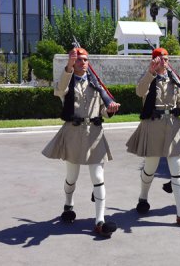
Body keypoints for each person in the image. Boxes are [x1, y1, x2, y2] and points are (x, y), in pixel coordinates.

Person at [42, 47, 120, 237]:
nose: (82, 62)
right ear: (72, 62)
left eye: (85, 59)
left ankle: (100, 220)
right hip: (73, 133)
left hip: (94, 133)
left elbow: (102, 109)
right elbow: (59, 90)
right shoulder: (67, 82)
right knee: (72, 176)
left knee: (98, 178)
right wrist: (68, 67)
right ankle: (69, 205)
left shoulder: (95, 83)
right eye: (78, 60)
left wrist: (109, 110)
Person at [126, 47, 180, 228]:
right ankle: (143, 197)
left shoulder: (175, 80)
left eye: (167, 59)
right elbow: (140, 91)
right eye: (160, 59)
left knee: (178, 169)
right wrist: (150, 73)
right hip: (153, 126)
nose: (164, 62)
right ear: (153, 61)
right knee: (150, 168)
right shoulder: (148, 78)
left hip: (173, 126)